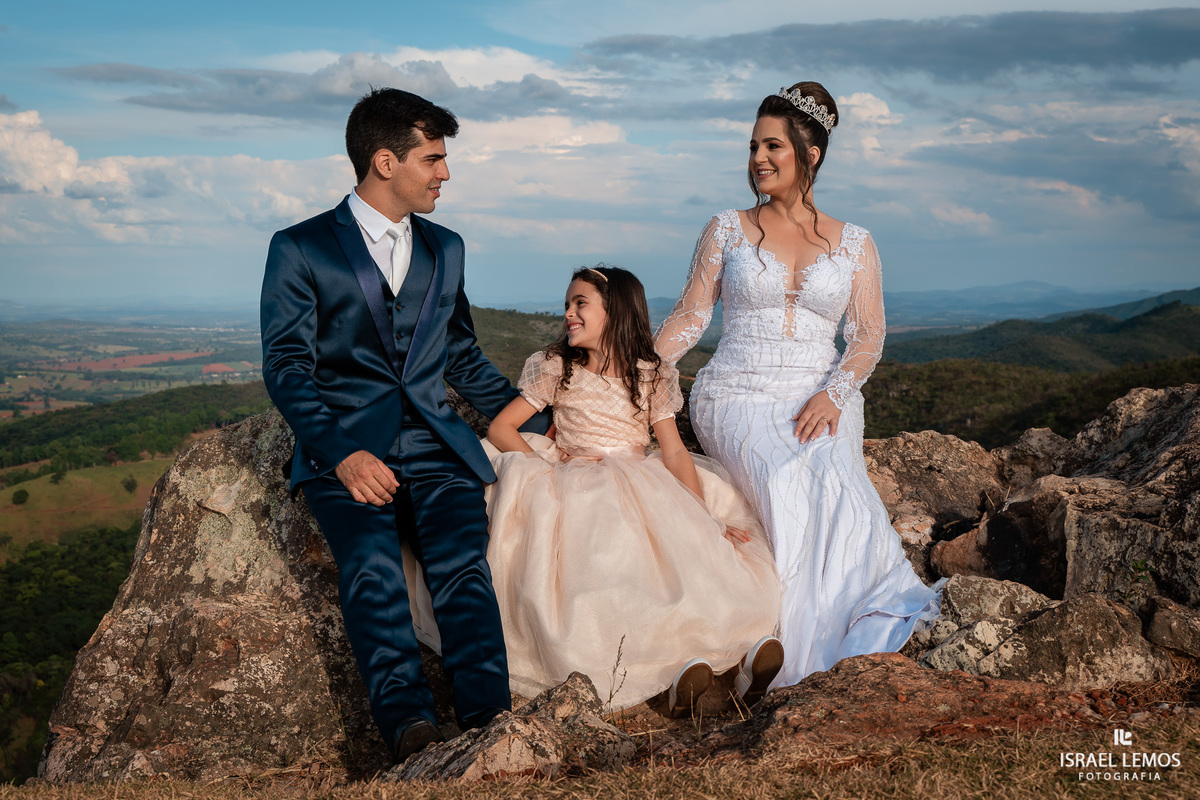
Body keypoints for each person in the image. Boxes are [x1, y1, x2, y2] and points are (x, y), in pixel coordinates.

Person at [260, 87, 546, 764]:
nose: (444, 173)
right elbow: (287, 367)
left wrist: (546, 418)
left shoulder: (446, 248)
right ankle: (410, 730)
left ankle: (489, 723)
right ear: (385, 162)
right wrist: (342, 455)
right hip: (346, 450)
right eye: (433, 158)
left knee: (462, 566)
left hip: (437, 447)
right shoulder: (300, 247)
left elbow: (461, 357)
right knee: (370, 569)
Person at [653, 82, 944, 688]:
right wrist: (637, 367)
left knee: (833, 472)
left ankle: (865, 629)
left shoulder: (856, 243)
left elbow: (868, 335)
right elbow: (691, 317)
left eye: (773, 146)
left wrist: (834, 394)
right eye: (754, 145)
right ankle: (777, 655)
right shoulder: (725, 229)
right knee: (784, 479)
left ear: (810, 155)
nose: (758, 158)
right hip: (735, 393)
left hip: (821, 391)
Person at [478, 265, 782, 715]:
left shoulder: (652, 373)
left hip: (645, 481)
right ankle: (676, 682)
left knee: (695, 564)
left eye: (580, 303)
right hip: (579, 480)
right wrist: (545, 466)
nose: (568, 314)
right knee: (614, 574)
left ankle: (738, 667)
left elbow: (675, 453)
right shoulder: (557, 366)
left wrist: (706, 516)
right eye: (567, 305)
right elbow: (502, 427)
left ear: (615, 310)